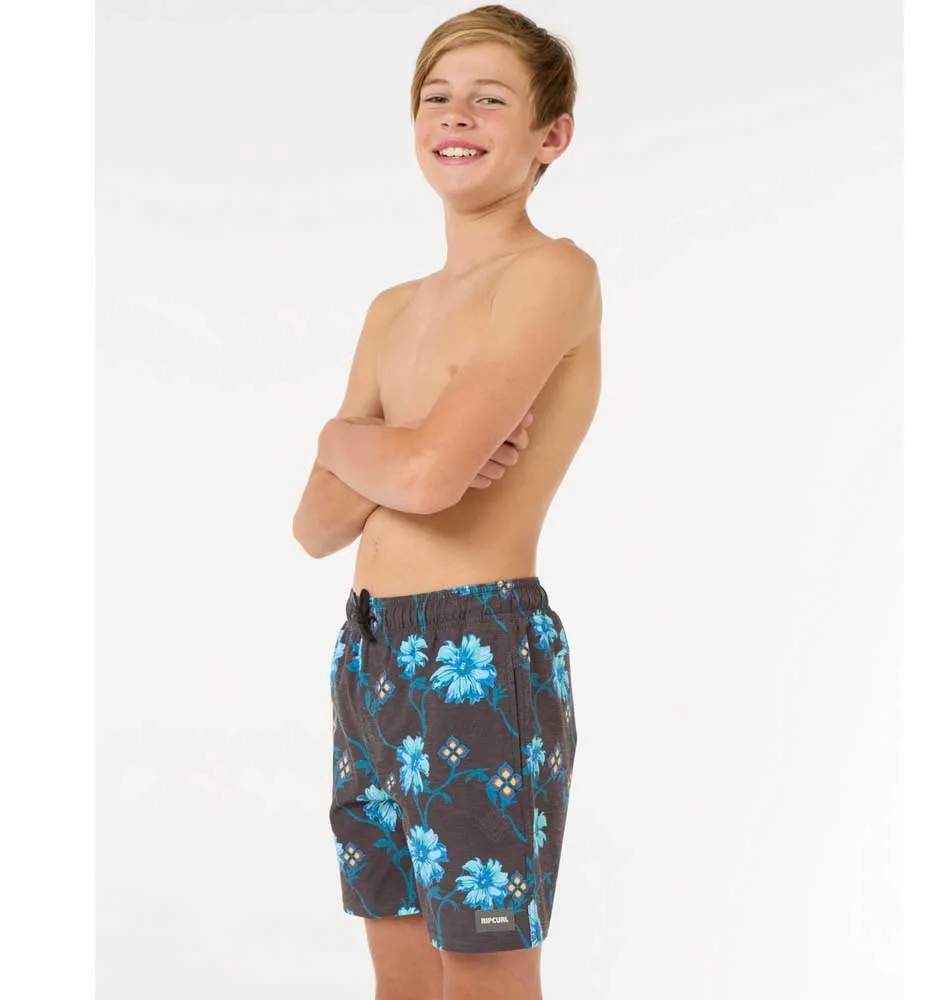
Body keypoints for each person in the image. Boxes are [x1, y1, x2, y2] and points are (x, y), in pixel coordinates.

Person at [292, 6, 601, 998]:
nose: (456, 116)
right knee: (401, 977)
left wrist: (375, 450)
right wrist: (353, 442)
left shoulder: (552, 274)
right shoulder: (393, 309)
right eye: (436, 96)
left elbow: (424, 481)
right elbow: (315, 524)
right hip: (368, 650)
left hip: (477, 646)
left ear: (551, 134)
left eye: (490, 99)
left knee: (485, 973)